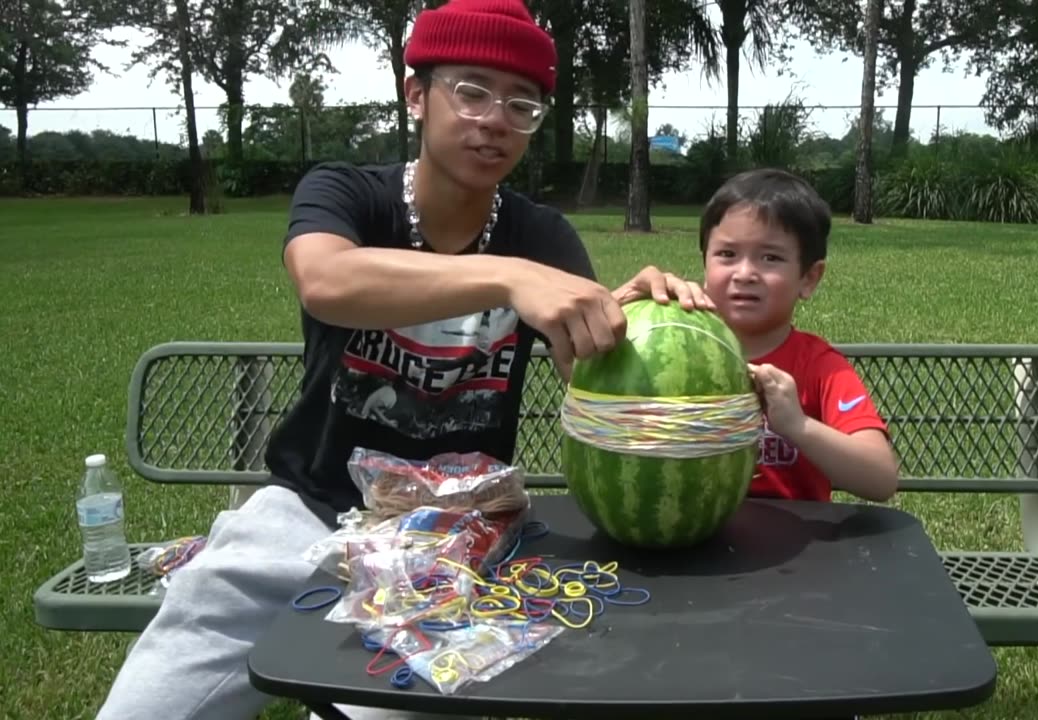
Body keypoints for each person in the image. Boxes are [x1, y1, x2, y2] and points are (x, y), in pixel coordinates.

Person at [93, 1, 709, 719]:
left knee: (399, 704)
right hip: (306, 511)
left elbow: (586, 371)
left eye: (522, 103)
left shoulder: (541, 235)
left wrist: (638, 326)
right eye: (471, 91)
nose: (494, 119)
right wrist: (510, 279)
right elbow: (327, 283)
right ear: (416, 94)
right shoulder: (347, 193)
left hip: (455, 540)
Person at [698, 168, 900, 503]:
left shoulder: (820, 367)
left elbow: (880, 479)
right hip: (691, 540)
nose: (745, 273)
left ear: (808, 278)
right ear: (705, 265)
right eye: (727, 254)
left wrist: (798, 425)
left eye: (770, 258)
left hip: (799, 547)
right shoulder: (680, 348)